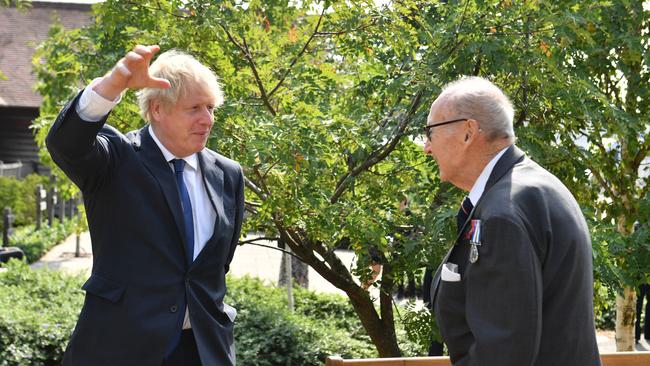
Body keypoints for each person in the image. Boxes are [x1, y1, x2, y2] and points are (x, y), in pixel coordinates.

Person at [46, 45, 245, 366]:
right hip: (120, 349)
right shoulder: (117, 159)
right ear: (157, 109)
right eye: (194, 108)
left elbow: (216, 267)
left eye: (211, 108)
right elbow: (66, 143)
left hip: (203, 351)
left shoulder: (229, 174)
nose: (207, 119)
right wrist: (113, 84)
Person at [423, 76, 600, 365]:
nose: (426, 147)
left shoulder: (503, 213)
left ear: (468, 132)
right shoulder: (531, 188)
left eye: (430, 132)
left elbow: (502, 354)